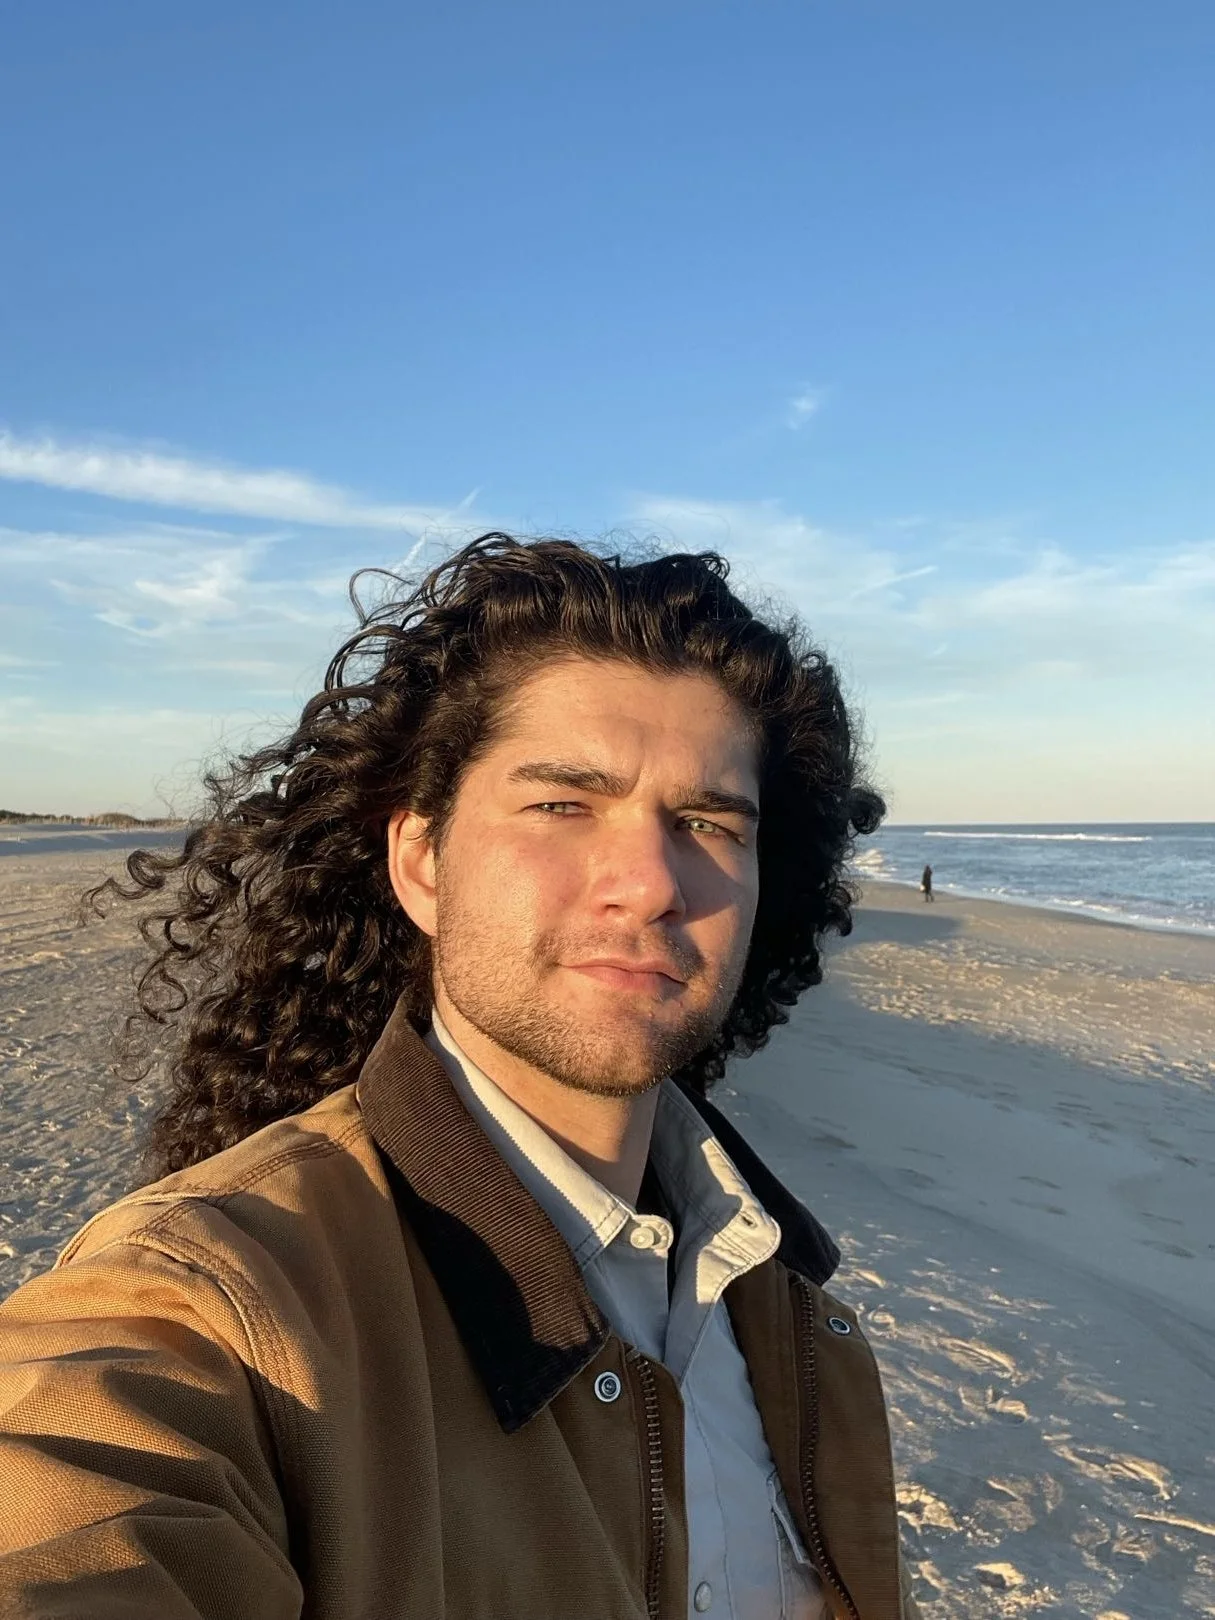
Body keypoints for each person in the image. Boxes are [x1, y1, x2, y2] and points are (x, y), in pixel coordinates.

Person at [0, 534, 922, 1619]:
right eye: (561, 804)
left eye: (707, 823)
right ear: (421, 862)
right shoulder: (217, 1300)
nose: (649, 884)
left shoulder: (793, 1312)